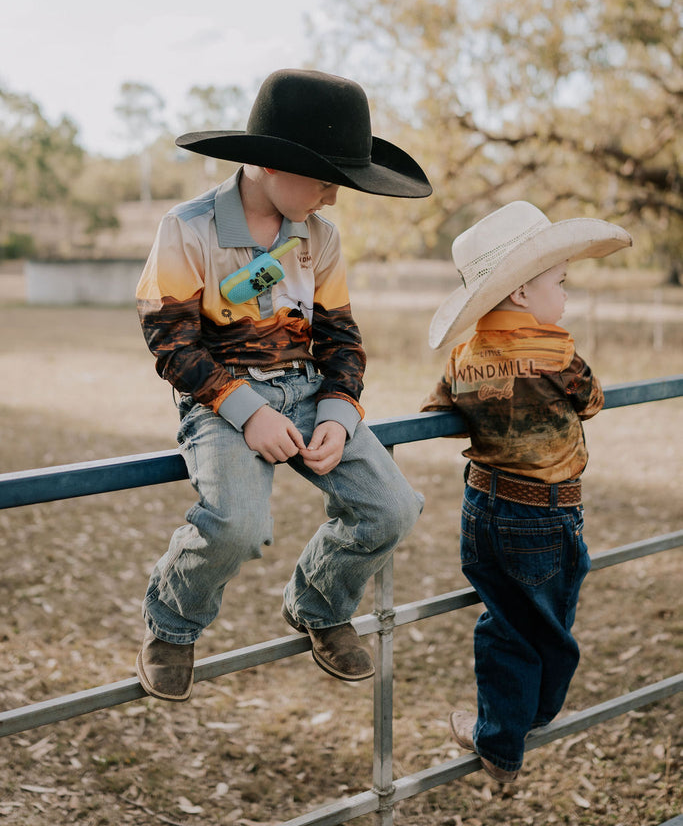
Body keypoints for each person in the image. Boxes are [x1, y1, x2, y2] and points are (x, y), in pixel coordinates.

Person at [135, 67, 431, 701]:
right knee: (237, 525)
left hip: (307, 390)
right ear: (270, 165)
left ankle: (319, 605)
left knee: (393, 508)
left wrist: (337, 413)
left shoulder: (320, 239)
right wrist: (247, 412)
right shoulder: (187, 231)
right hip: (222, 400)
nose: (332, 197)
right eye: (326, 180)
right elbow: (171, 340)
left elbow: (341, 338)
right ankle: (172, 624)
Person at [421, 201, 631, 782]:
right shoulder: (559, 353)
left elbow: (440, 404)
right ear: (520, 294)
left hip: (481, 506)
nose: (564, 297)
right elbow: (592, 401)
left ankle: (509, 723)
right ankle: (506, 739)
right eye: (558, 284)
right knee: (538, 623)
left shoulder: (463, 356)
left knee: (505, 616)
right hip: (542, 514)